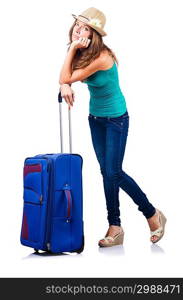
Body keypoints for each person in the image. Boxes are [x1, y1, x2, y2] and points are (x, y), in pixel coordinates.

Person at [59, 7, 167, 247]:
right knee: (106, 172)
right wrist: (66, 73)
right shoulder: (82, 52)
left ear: (94, 34)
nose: (79, 29)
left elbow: (66, 77)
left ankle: (151, 214)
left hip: (116, 119)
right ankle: (115, 227)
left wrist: (67, 75)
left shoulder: (102, 57)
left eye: (86, 27)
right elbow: (64, 77)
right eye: (78, 24)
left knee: (114, 172)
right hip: (95, 118)